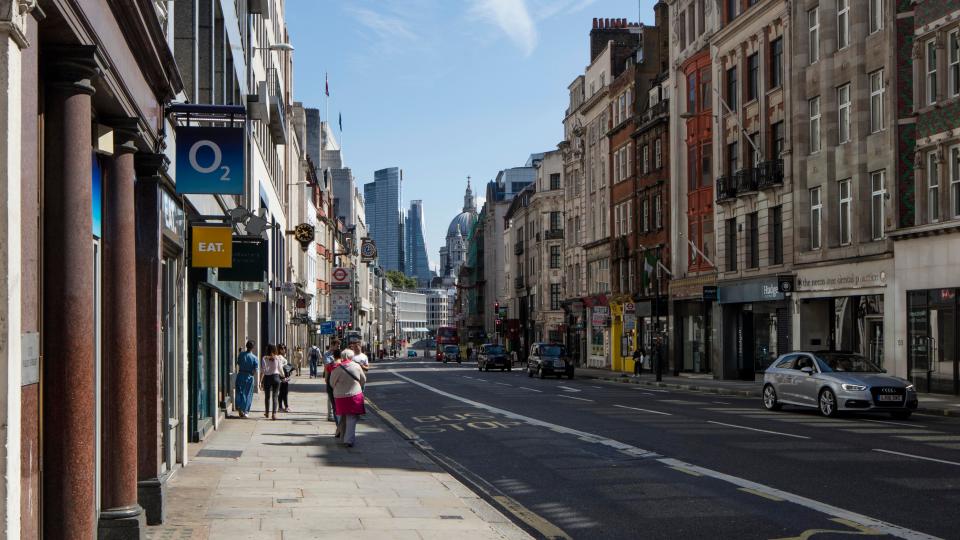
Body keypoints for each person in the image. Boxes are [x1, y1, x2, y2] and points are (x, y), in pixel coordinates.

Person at [330, 348, 367, 447]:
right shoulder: (357, 366)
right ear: (352, 356)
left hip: (340, 397)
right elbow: (363, 380)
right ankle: (348, 440)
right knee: (351, 418)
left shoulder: (337, 368)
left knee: (341, 417)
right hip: (354, 395)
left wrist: (339, 389)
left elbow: (331, 383)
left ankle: (342, 436)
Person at [235, 341, 258, 418]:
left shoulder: (241, 354)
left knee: (240, 392)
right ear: (253, 347)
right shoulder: (254, 358)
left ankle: (239, 407)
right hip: (249, 376)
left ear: (246, 346)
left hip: (240, 374)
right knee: (248, 394)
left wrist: (240, 352)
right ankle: (245, 410)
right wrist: (252, 374)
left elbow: (238, 362)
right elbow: (255, 369)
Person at [260, 344, 283, 420]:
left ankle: (267, 412)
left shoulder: (264, 358)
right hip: (276, 377)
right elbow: (280, 369)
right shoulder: (278, 358)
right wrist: (283, 376)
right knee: (275, 396)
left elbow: (263, 370)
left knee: (267, 397)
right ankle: (274, 414)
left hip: (267, 378)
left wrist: (260, 381)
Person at [323, 339, 341, 424]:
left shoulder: (340, 354)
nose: (338, 347)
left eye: (339, 346)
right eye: (337, 346)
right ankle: (330, 414)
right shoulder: (327, 354)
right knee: (330, 398)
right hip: (331, 375)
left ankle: (336, 414)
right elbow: (327, 366)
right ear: (332, 345)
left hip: (339, 377)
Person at [278, 344, 294, 412]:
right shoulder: (280, 357)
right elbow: (280, 367)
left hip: (284, 377)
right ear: (279, 349)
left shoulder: (282, 357)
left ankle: (281, 407)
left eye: (284, 348)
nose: (283, 350)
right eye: (282, 348)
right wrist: (283, 377)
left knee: (282, 392)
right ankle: (285, 406)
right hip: (283, 377)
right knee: (284, 392)